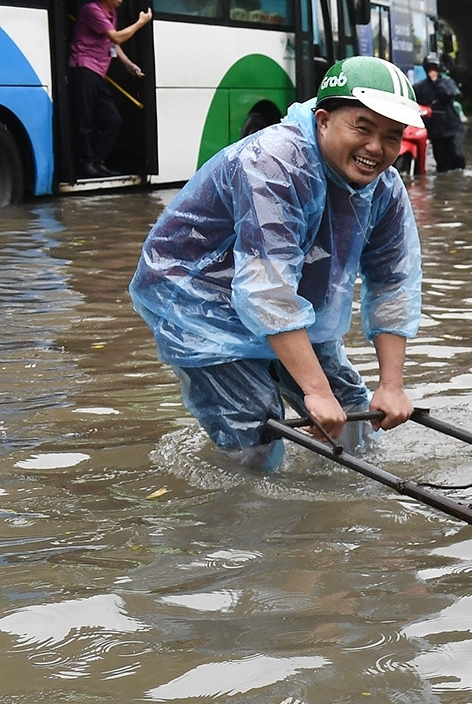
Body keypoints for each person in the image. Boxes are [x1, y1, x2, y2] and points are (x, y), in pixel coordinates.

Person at [129, 56, 427, 470]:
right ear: (323, 120)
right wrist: (315, 391)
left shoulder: (385, 187)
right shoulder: (273, 162)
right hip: (202, 303)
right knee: (255, 428)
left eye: (392, 136)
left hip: (291, 301)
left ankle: (350, 497)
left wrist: (392, 386)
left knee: (353, 409)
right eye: (363, 128)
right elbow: (266, 289)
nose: (376, 148)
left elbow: (394, 282)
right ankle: (248, 501)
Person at [68, 0, 152, 177]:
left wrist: (128, 64)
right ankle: (85, 164)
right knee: (85, 120)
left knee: (112, 120)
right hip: (84, 68)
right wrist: (140, 23)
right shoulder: (91, 10)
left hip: (99, 72)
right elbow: (116, 37)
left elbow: (112, 43)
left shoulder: (111, 14)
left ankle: (97, 161)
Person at [415, 53, 466, 171]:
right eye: (429, 69)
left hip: (452, 128)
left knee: (458, 155)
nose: (432, 71)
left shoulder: (447, 82)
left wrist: (436, 82)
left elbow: (450, 93)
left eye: (434, 68)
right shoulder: (420, 87)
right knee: (442, 163)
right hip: (436, 131)